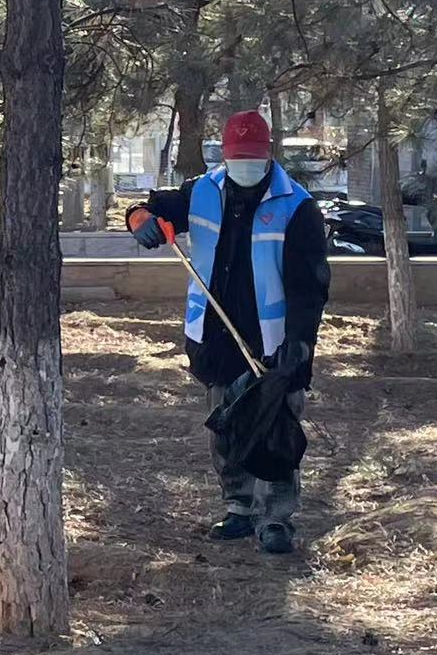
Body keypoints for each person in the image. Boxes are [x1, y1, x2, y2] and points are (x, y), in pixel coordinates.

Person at [126, 110, 330, 554]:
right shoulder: (202, 191)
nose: (246, 168)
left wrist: (300, 343)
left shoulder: (297, 207)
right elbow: (152, 209)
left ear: (268, 155)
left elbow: (310, 286)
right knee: (226, 426)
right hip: (216, 335)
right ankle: (239, 507)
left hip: (273, 341)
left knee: (275, 430)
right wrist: (140, 219)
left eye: (253, 160)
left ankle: (275, 518)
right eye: (239, 160)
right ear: (226, 156)